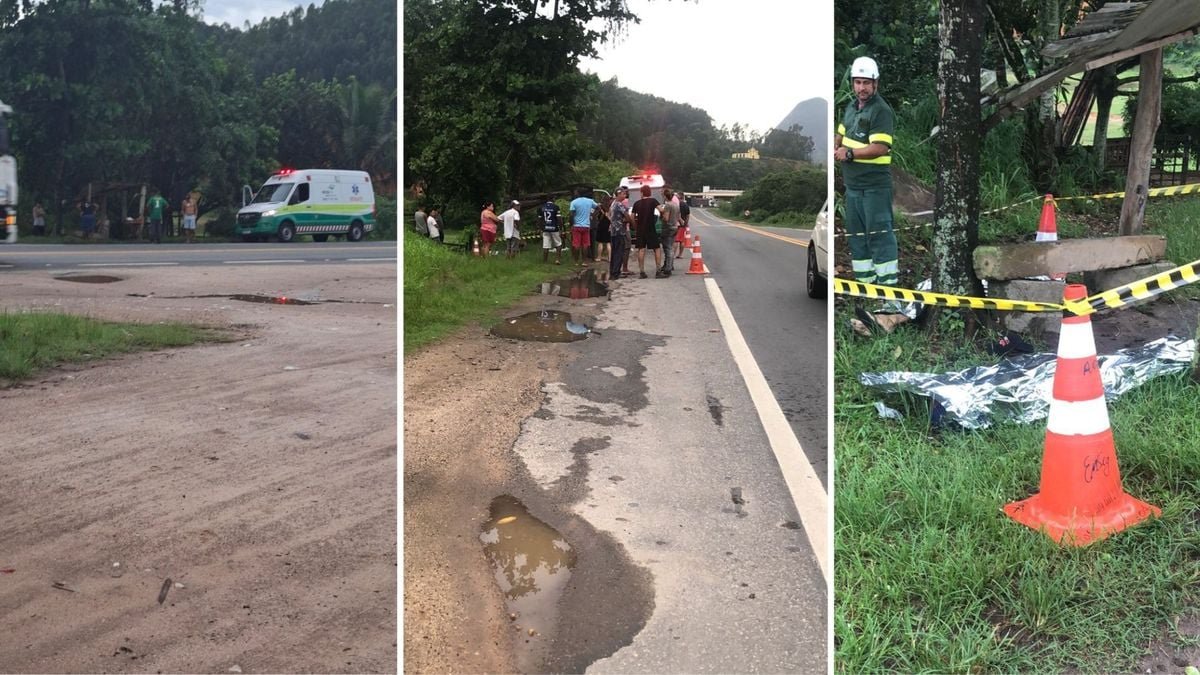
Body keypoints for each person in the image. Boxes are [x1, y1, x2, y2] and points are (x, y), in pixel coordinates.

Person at [834, 56, 905, 333]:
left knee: (880, 240)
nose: (861, 87)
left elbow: (880, 148)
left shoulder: (881, 111)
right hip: (853, 189)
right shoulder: (851, 108)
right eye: (858, 82)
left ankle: (887, 301)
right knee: (859, 242)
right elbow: (841, 132)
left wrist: (849, 154)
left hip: (875, 187)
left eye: (866, 83)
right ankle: (866, 293)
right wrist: (838, 143)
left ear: (876, 83)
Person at [631, 185, 663, 279]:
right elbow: (661, 209)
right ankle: (658, 270)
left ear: (641, 193)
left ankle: (642, 272)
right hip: (650, 228)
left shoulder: (637, 203)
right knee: (656, 248)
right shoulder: (653, 201)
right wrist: (661, 215)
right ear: (650, 193)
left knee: (641, 249)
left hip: (640, 229)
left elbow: (632, 217)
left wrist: (635, 226)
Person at [608, 188, 634, 278]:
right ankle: (616, 272)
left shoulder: (613, 204)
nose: (625, 195)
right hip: (619, 231)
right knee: (619, 252)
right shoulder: (619, 205)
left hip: (613, 231)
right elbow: (628, 216)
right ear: (618, 194)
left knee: (614, 252)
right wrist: (629, 221)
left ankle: (613, 271)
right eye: (623, 194)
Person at [568, 189, 597, 266]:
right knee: (585, 244)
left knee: (576, 244)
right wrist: (592, 215)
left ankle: (576, 261)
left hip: (576, 226)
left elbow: (571, 215)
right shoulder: (590, 201)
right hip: (586, 225)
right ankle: (584, 261)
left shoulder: (574, 202)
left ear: (578, 194)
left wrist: (571, 224)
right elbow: (598, 207)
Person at [658, 187, 679, 277]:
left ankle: (668, 268)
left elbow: (666, 218)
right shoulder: (676, 205)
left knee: (667, 248)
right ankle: (668, 265)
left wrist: (661, 216)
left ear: (665, 196)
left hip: (668, 228)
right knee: (670, 246)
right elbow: (678, 216)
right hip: (675, 226)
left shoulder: (668, 205)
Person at [540, 195, 563, 264]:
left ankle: (545, 261)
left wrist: (541, 228)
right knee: (558, 244)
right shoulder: (556, 207)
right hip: (554, 228)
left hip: (545, 228)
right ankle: (557, 260)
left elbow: (539, 219)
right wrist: (560, 228)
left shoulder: (542, 207)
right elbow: (559, 219)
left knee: (546, 245)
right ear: (553, 199)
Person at [595, 195, 612, 262]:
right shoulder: (610, 207)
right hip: (608, 225)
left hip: (601, 225)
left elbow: (597, 217)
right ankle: (610, 258)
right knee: (608, 242)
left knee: (600, 242)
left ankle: (599, 257)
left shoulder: (600, 207)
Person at [675, 194, 691, 259]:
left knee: (675, 240)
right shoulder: (686, 205)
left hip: (675, 224)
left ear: (679, 197)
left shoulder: (676, 204)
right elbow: (688, 216)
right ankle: (680, 254)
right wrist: (686, 224)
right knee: (682, 240)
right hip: (682, 225)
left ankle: (673, 254)